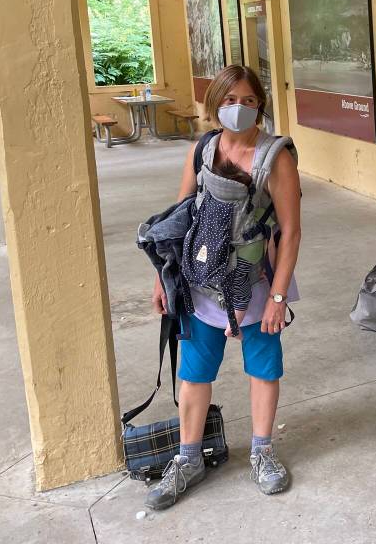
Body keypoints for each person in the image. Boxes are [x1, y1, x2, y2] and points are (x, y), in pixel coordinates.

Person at [146, 65, 302, 510]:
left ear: (260, 106)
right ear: (215, 104)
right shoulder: (203, 149)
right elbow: (178, 219)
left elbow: (290, 232)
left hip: (257, 283)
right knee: (193, 372)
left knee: (263, 367)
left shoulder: (276, 157)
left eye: (249, 101)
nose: (239, 109)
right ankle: (189, 458)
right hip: (200, 284)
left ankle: (262, 451)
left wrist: (277, 297)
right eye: (230, 100)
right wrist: (163, 276)